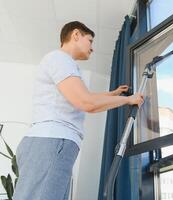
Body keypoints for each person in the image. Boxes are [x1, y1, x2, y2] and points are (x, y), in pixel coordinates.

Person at [13, 21, 144, 200]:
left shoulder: (62, 62)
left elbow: (85, 97)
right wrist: (128, 99)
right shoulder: (60, 59)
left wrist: (111, 94)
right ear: (76, 35)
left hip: (52, 143)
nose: (92, 48)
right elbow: (86, 102)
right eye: (90, 40)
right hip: (52, 141)